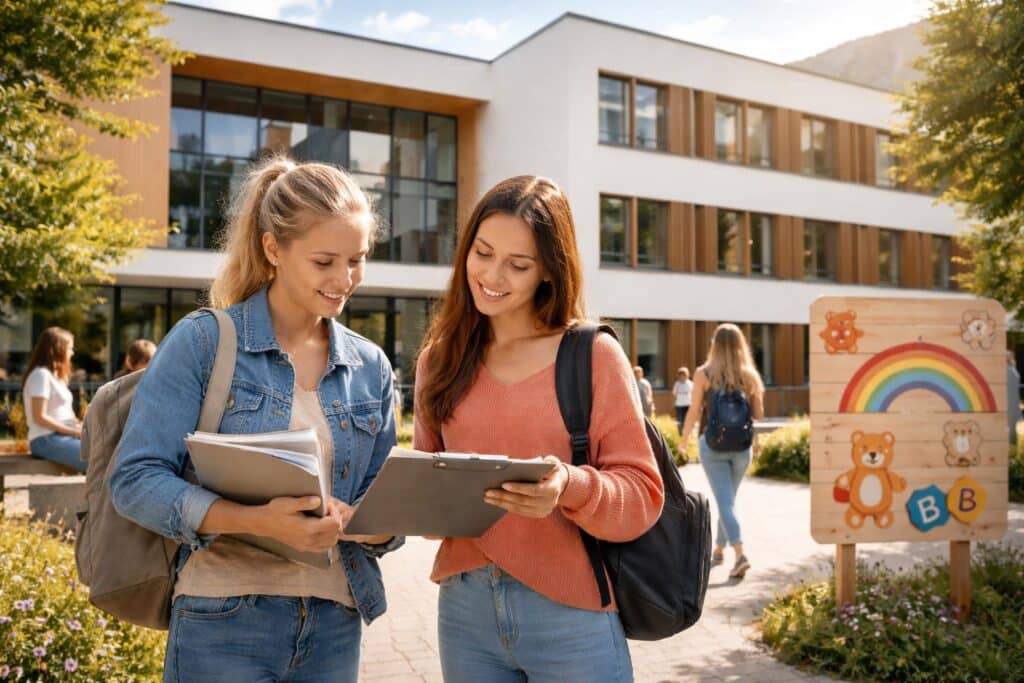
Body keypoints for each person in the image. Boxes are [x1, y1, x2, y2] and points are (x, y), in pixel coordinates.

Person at [110, 157, 401, 683]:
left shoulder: (371, 366)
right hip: (223, 617)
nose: (345, 279)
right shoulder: (204, 342)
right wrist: (253, 521)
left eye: (357, 259)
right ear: (274, 249)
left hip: (335, 622)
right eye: (325, 261)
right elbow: (134, 480)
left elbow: (383, 506)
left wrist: (367, 522)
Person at [414, 175, 664, 682]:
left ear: (548, 270)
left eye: (518, 264)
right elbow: (430, 508)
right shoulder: (438, 362)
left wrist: (567, 486)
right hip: (465, 613)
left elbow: (642, 496)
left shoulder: (591, 355)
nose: (492, 274)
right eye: (482, 253)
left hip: (570, 615)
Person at [680, 323, 764, 579]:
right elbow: (758, 415)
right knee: (727, 500)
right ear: (741, 346)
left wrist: (684, 440)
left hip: (713, 446)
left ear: (714, 345)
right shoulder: (749, 375)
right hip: (742, 448)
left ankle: (740, 555)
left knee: (725, 501)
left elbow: (694, 411)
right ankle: (718, 548)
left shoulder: (703, 373)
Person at [21, 327, 86, 473]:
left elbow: (64, 413)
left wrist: (80, 426)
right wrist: (73, 431)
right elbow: (40, 417)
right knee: (96, 458)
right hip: (46, 439)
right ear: (58, 349)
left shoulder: (58, 378)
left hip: (63, 437)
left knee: (108, 452)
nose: (72, 352)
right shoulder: (41, 375)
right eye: (70, 348)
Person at [672, 367, 693, 436]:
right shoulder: (677, 384)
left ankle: (688, 433)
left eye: (684, 375)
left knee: (687, 419)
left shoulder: (690, 383)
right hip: (679, 404)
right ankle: (680, 433)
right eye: (681, 375)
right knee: (680, 419)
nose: (682, 377)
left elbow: (693, 393)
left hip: (688, 404)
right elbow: (674, 393)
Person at [1009, 351, 1021, 446]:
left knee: (1012, 423)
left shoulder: (1012, 369)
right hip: (1010, 399)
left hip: (1013, 399)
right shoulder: (1010, 369)